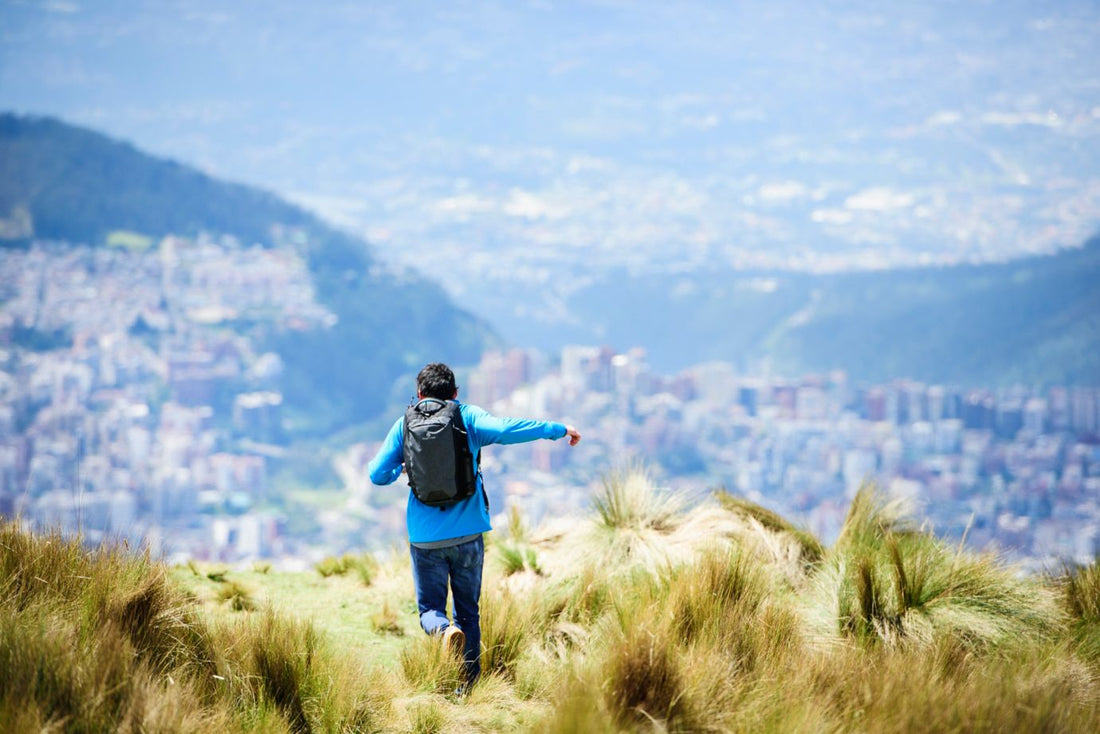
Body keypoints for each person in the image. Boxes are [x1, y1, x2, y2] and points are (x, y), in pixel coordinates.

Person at [368, 362, 581, 689]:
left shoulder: (404, 425)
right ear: (455, 393)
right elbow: (507, 429)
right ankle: (467, 688)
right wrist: (558, 429)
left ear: (420, 394)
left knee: (429, 610)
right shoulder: (466, 416)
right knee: (468, 612)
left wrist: (405, 470)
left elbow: (377, 475)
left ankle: (442, 631)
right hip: (468, 534)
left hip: (425, 538)